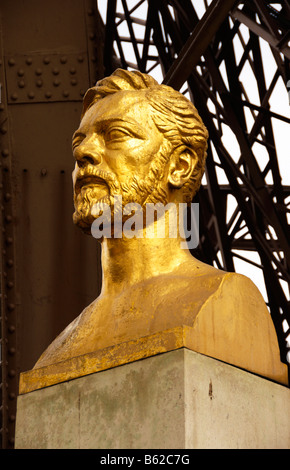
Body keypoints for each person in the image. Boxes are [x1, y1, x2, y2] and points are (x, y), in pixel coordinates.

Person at [34, 69, 287, 385]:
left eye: (116, 134)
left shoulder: (227, 303)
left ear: (179, 166)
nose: (82, 153)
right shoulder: (56, 352)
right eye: (80, 140)